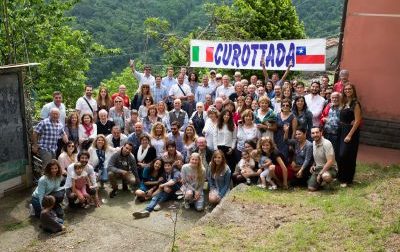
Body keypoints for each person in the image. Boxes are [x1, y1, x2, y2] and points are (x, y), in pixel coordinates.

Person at [337, 83, 362, 187]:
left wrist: (350, 135)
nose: (347, 90)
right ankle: (340, 177)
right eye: (346, 89)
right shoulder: (343, 102)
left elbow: (357, 121)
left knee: (347, 155)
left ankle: (347, 179)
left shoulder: (355, 104)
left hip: (350, 131)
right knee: (339, 155)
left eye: (349, 89)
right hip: (341, 130)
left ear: (353, 90)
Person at [308, 127, 337, 191]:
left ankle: (331, 182)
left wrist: (320, 174)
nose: (315, 134)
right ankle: (322, 182)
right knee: (311, 188)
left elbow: (330, 161)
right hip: (318, 168)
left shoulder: (327, 143)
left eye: (317, 132)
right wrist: (313, 165)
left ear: (321, 133)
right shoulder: (313, 143)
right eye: (313, 133)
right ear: (311, 135)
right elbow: (316, 157)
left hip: (330, 168)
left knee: (325, 176)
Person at [320, 91, 341, 158]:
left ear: (340, 98)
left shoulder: (342, 108)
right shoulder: (329, 106)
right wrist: (323, 119)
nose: (334, 99)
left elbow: (342, 121)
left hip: (336, 134)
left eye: (336, 97)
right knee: (325, 150)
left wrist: (328, 120)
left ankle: (332, 167)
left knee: (333, 152)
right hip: (326, 133)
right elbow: (323, 115)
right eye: (333, 98)